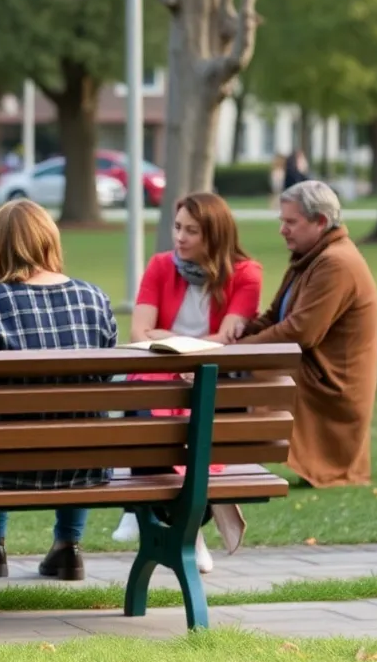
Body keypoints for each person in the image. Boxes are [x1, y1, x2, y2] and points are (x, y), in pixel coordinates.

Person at [0, 199, 118, 581]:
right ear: (51, 240)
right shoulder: (94, 299)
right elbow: (106, 379)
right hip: (85, 465)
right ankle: (68, 547)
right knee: (82, 422)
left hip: (5, 468)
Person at [111, 192, 264, 572]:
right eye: (178, 227)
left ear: (214, 235)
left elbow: (228, 338)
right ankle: (175, 525)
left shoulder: (245, 274)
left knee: (192, 412)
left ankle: (151, 510)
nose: (180, 237)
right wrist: (191, 347)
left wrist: (178, 344)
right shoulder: (161, 266)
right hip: (160, 370)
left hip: (208, 376)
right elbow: (140, 331)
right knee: (146, 392)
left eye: (191, 231)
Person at [236, 180, 377, 487]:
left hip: (331, 386)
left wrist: (237, 353)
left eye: (291, 222)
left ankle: (231, 463)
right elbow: (274, 317)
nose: (282, 230)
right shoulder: (311, 255)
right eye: (282, 221)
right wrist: (236, 334)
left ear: (321, 222)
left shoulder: (336, 263)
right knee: (234, 370)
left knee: (245, 374)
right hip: (310, 371)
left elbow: (300, 334)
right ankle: (228, 461)